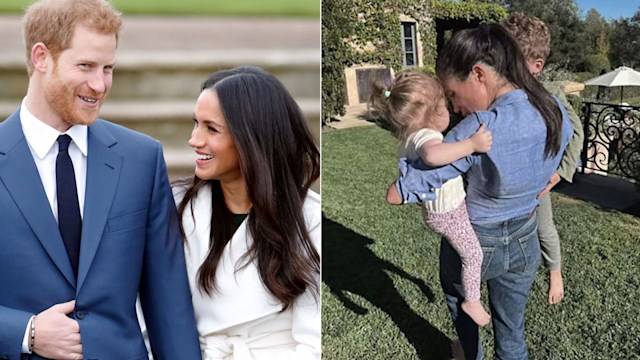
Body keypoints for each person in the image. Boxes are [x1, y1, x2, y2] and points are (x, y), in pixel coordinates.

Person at [0, 0, 201, 359]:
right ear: (41, 57)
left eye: (108, 68)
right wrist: (25, 332)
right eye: (86, 66)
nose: (99, 84)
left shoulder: (141, 159)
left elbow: (169, 305)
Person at [390, 24, 573, 359]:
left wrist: (400, 188)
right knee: (513, 334)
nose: (456, 107)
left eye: (454, 94)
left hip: (475, 239)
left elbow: (422, 179)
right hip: (526, 236)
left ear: (478, 74)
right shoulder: (552, 109)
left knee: (465, 315)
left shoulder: (478, 126)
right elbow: (566, 141)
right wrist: (549, 177)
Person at [173, 66, 321, 359]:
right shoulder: (177, 205)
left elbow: (312, 346)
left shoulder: (310, 220)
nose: (194, 140)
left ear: (252, 139)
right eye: (196, 124)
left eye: (211, 128)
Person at [369, 70, 493, 326]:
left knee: (463, 249)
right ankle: (472, 300)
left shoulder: (409, 137)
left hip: (439, 211)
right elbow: (434, 156)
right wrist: (472, 145)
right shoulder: (428, 136)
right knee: (473, 255)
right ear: (435, 112)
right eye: (445, 104)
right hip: (448, 212)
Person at [502, 12, 585, 305]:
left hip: (538, 179)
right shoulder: (495, 94)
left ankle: (555, 271)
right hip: (504, 184)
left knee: (544, 227)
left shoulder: (550, 95)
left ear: (536, 66)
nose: (504, 68)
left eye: (512, 62)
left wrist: (560, 173)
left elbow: (576, 132)